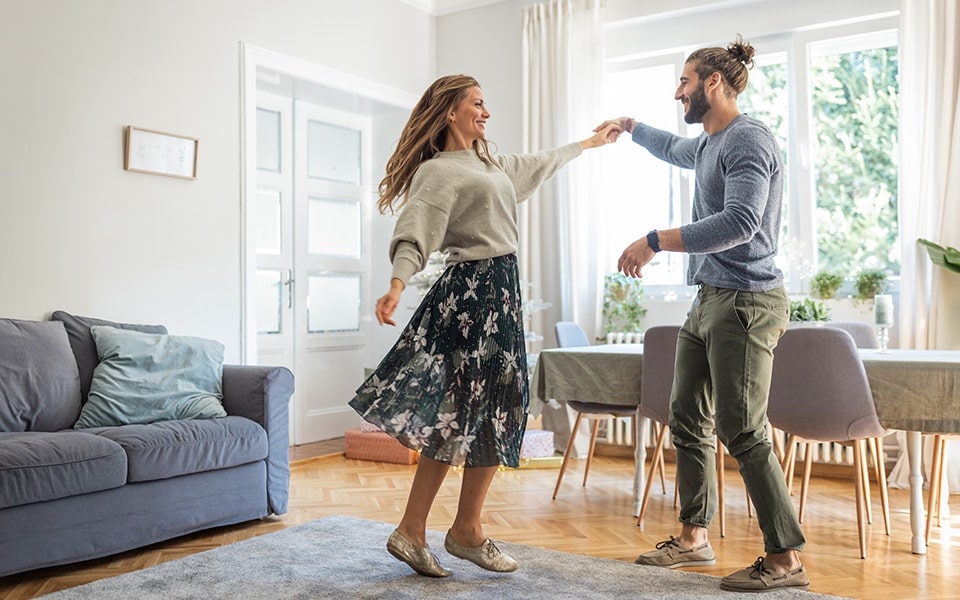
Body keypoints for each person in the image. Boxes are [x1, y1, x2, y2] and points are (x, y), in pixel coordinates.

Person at [350, 74, 618, 578]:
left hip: (501, 294)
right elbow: (415, 231)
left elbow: (538, 163)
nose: (486, 111)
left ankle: (453, 530)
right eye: (477, 103)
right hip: (472, 296)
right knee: (466, 410)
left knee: (493, 409)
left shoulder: (489, 163)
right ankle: (435, 530)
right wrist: (396, 283)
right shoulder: (438, 172)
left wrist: (588, 142)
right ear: (450, 111)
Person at [596, 35, 809, 593]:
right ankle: (694, 539)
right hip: (710, 297)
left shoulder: (748, 139)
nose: (678, 92)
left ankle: (785, 558)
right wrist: (632, 127)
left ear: (713, 83)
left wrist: (654, 240)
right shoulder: (710, 143)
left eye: (685, 82)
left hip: (747, 300)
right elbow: (673, 148)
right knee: (687, 415)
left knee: (744, 429)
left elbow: (741, 221)